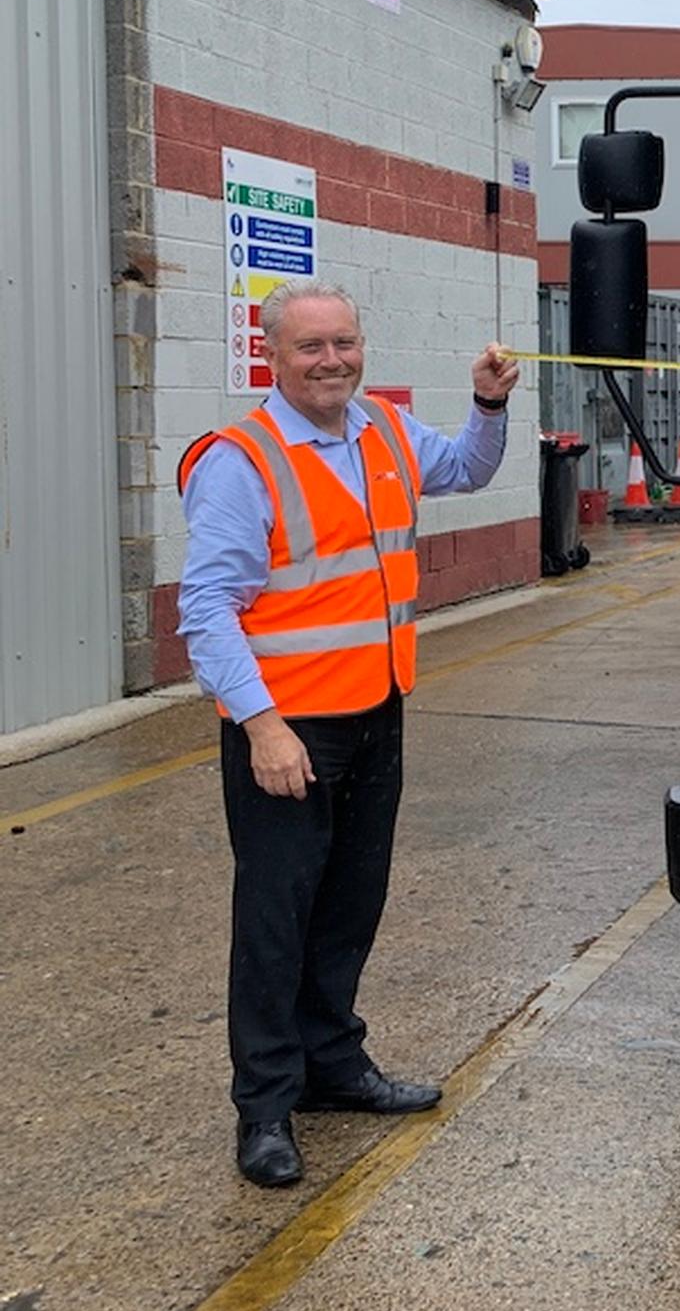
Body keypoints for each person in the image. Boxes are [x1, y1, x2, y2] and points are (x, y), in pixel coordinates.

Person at [178, 279, 520, 1187]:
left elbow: (467, 470)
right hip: (289, 730)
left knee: (348, 906)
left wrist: (489, 405)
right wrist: (261, 726)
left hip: (375, 709)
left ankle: (333, 1067)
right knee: (275, 919)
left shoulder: (383, 433)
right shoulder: (240, 460)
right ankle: (264, 1109)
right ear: (273, 358)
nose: (332, 361)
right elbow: (208, 609)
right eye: (309, 348)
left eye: (345, 343)